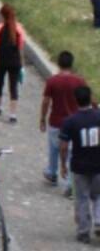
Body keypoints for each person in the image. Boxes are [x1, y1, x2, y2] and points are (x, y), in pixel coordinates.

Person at [59, 85, 100, 243]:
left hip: (80, 166)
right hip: (98, 164)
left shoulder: (70, 121)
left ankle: (83, 231)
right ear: (90, 98)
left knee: (82, 198)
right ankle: (99, 222)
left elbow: (63, 146)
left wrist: (63, 164)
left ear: (75, 100)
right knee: (98, 195)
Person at [41, 50, 87, 192]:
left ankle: (52, 172)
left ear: (58, 64)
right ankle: (70, 183)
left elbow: (46, 101)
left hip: (56, 121)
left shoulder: (52, 81)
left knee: (54, 148)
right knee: (72, 154)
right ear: (71, 64)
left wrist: (42, 119)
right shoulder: (79, 81)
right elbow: (87, 100)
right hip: (75, 123)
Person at [0, 3, 25, 123]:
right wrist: (22, 64)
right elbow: (20, 48)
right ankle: (13, 114)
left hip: (1, 62)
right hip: (15, 62)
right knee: (13, 87)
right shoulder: (19, 28)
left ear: (2, 15)